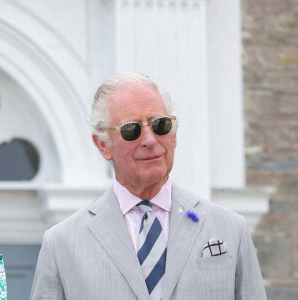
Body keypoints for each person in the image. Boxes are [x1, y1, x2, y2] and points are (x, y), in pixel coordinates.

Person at [31, 72, 267, 299]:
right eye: (131, 129)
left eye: (160, 125)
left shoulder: (230, 230)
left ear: (174, 134)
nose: (150, 140)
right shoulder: (62, 244)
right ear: (103, 145)